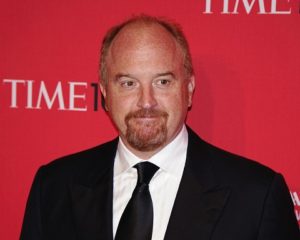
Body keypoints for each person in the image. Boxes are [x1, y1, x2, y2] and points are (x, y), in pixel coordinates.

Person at [20, 15, 299, 240]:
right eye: (128, 83)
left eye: (162, 82)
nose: (146, 101)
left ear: (189, 88)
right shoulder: (53, 187)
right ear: (105, 93)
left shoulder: (256, 196)